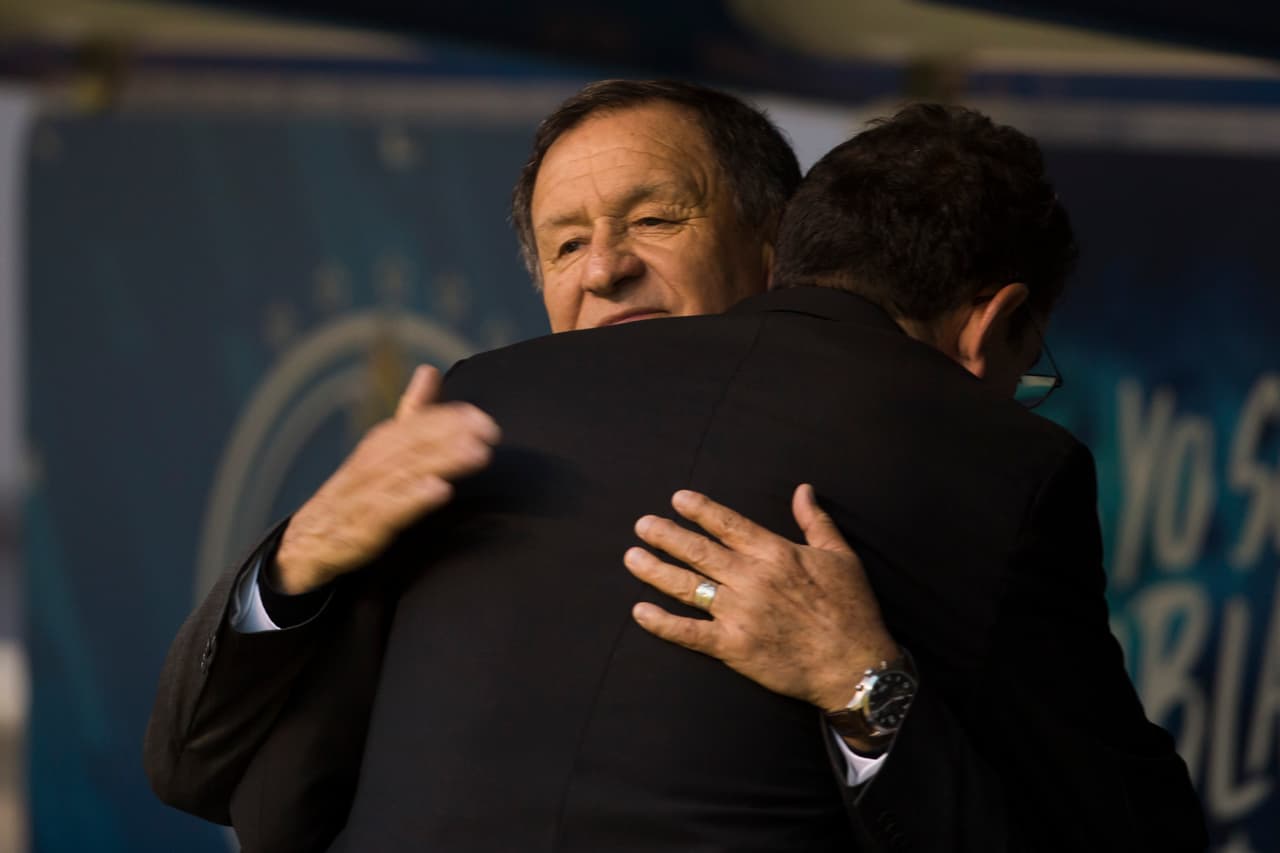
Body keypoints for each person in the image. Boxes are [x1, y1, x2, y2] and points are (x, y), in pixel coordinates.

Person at [147, 85, 1204, 851]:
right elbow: (223, 773)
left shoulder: (939, 462)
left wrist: (859, 680)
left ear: (775, 248)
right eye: (566, 244)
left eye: (654, 219)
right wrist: (295, 562)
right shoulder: (459, 429)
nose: (605, 267)